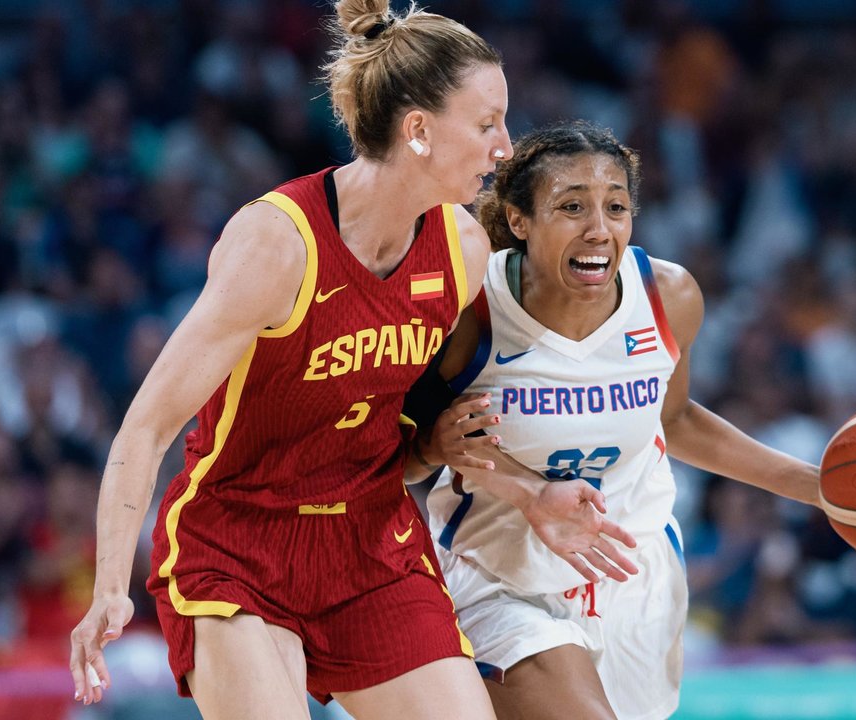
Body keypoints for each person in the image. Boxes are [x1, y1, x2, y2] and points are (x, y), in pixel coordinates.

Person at [65, 3, 625, 718]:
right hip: (240, 539)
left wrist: (527, 493)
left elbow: (437, 432)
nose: (505, 147)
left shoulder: (461, 249)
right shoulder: (277, 244)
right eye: (487, 124)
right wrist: (111, 582)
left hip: (369, 541)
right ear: (418, 130)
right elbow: (146, 428)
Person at [410, 121, 821, 719]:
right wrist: (440, 447)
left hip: (635, 569)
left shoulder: (667, 295)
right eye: (572, 206)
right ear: (520, 220)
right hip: (503, 573)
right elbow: (404, 450)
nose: (599, 229)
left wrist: (815, 486)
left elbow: (674, 420)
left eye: (616, 207)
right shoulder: (470, 305)